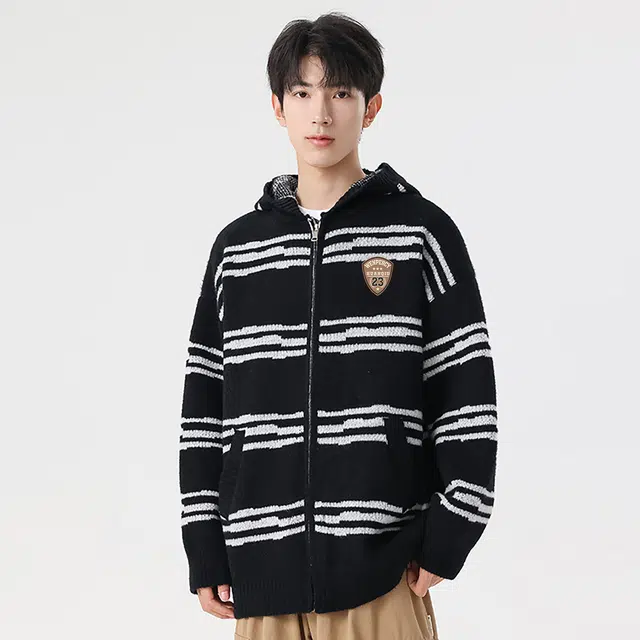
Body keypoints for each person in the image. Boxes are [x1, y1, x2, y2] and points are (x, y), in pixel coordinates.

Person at [178, 11, 498, 640]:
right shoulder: (238, 251)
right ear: (278, 106)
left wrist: (453, 528)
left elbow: (466, 391)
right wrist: (204, 543)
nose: (320, 114)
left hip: (383, 576)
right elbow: (205, 405)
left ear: (370, 107)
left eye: (341, 93)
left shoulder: (420, 234)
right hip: (260, 580)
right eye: (302, 93)